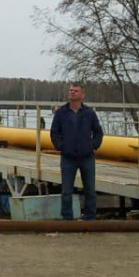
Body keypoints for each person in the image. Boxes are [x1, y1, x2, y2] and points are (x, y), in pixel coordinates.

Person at [49, 82, 104, 220]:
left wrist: (93, 145)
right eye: (71, 90)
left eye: (76, 90)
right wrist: (61, 146)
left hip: (87, 157)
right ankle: (67, 218)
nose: (72, 92)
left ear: (82, 95)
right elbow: (54, 132)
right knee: (66, 190)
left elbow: (98, 132)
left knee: (90, 189)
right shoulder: (61, 113)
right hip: (68, 157)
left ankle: (90, 217)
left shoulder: (89, 113)